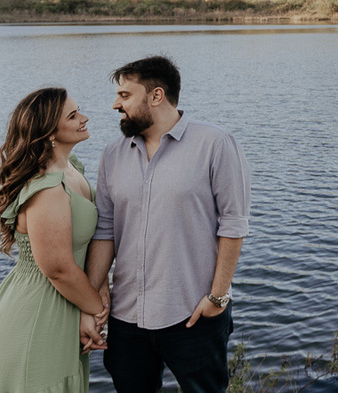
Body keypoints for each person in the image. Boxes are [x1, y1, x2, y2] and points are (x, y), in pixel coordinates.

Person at [86, 56, 250, 393]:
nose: (116, 104)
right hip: (126, 317)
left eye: (125, 96)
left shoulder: (215, 144)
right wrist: (93, 293)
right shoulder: (112, 155)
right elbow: (104, 230)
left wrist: (217, 298)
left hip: (193, 314)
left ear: (156, 96)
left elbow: (233, 225)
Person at [0, 88, 108, 393]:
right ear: (48, 133)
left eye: (79, 110)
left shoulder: (72, 170)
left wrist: (96, 296)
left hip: (66, 304)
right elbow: (58, 267)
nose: (84, 118)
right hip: (37, 316)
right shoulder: (47, 189)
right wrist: (95, 310)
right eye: (73, 116)